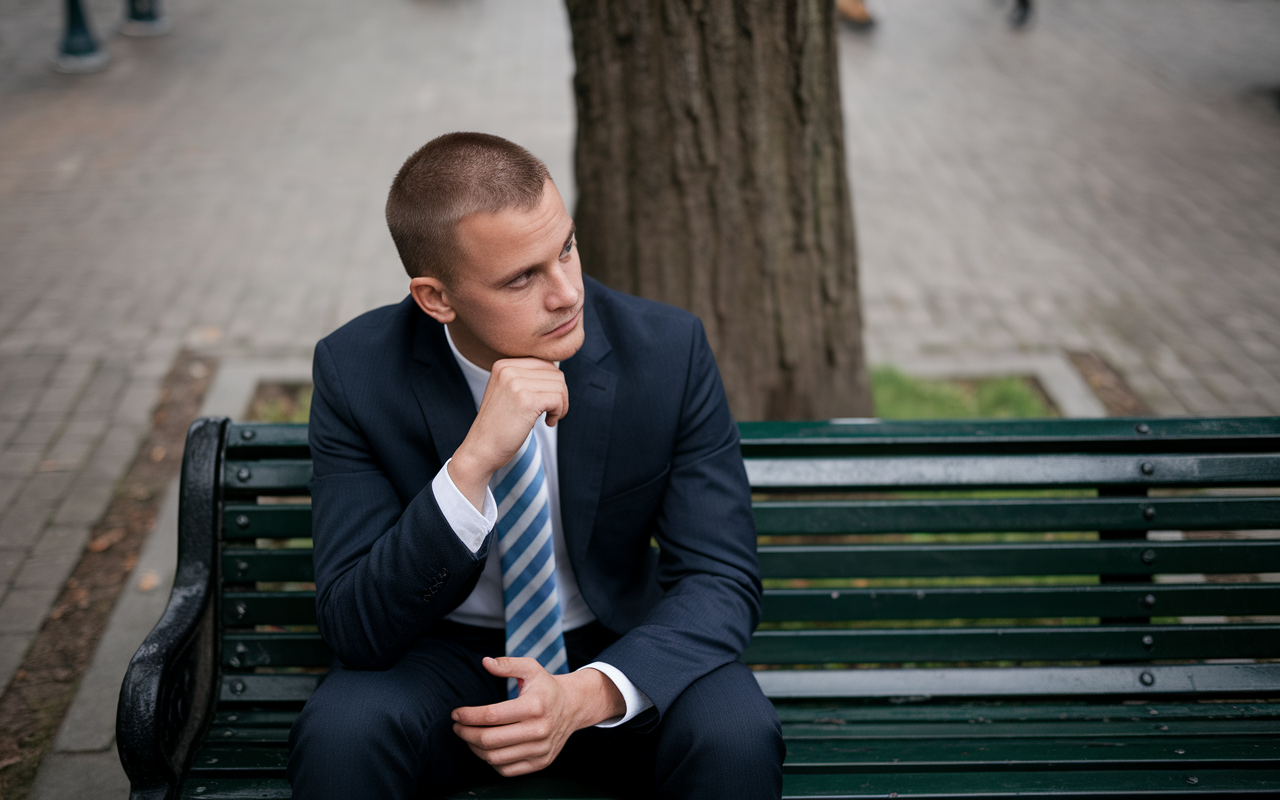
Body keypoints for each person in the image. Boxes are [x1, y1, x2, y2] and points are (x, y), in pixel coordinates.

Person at [286, 132, 784, 799]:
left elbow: (721, 578)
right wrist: (471, 465)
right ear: (437, 298)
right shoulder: (358, 371)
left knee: (736, 734)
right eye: (522, 278)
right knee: (341, 737)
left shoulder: (666, 350)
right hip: (441, 658)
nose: (568, 294)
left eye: (567, 249)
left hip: (616, 650)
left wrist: (587, 696)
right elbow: (355, 626)